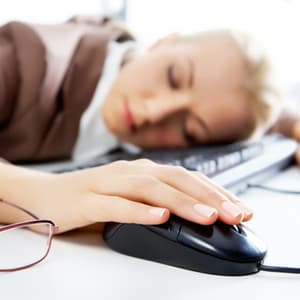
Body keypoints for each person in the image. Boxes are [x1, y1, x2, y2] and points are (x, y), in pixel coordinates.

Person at [0, 16, 284, 234]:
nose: (154, 112)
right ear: (163, 41)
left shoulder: (213, 98)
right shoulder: (21, 59)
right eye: (173, 76)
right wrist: (44, 193)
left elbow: (237, 102)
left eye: (189, 130)